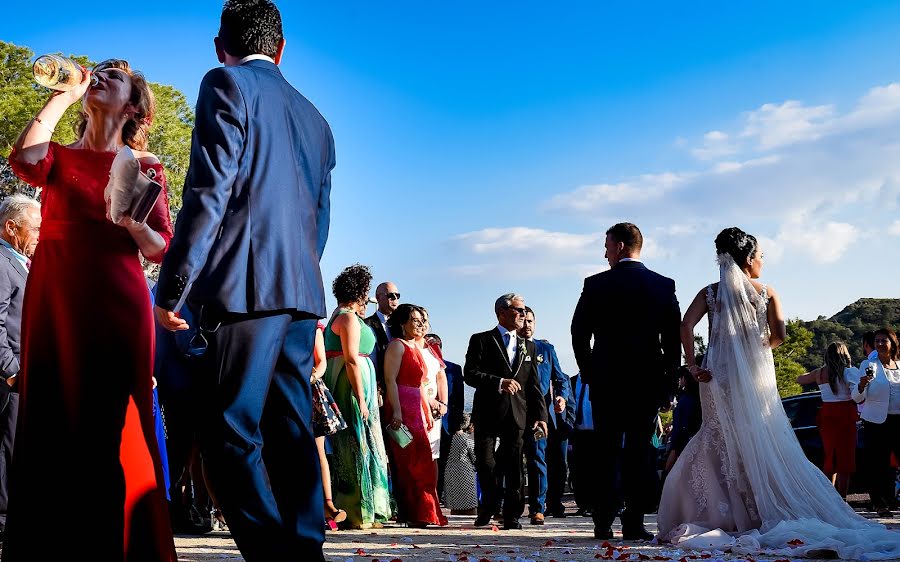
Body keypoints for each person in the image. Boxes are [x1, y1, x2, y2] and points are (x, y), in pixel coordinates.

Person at [154, 1, 335, 559]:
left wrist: (173, 285)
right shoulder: (316, 118)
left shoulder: (225, 83)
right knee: (290, 431)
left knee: (228, 432)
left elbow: (209, 193)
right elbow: (318, 219)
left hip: (242, 289)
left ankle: (273, 554)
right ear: (281, 49)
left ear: (218, 46)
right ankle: (304, 550)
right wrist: (300, 280)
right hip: (300, 292)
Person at [6, 58, 176, 560]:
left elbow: (160, 247)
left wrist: (128, 221)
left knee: (116, 419)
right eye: (95, 73)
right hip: (56, 294)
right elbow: (25, 159)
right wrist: (65, 92)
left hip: (117, 297)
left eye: (113, 76)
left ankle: (124, 544)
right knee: (52, 414)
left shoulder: (147, 167)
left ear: (132, 106)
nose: (99, 77)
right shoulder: (57, 157)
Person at [657, 227, 900, 559]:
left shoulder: (710, 293)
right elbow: (780, 335)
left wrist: (693, 366)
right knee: (758, 437)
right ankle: (757, 510)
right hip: (754, 378)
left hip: (716, 377)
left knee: (719, 437)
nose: (762, 261)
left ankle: (719, 512)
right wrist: (756, 349)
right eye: (760, 256)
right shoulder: (766, 291)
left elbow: (685, 325)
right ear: (748, 258)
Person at [571, 222, 681, 541]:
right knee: (639, 453)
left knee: (605, 452)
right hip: (647, 382)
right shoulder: (663, 285)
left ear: (619, 246)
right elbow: (672, 342)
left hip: (606, 381)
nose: (605, 253)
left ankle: (603, 522)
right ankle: (633, 523)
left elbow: (579, 333)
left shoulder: (595, 285)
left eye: (606, 247)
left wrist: (590, 373)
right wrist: (668, 385)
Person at [464, 293, 547, 530]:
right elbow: (469, 373)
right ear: (502, 312)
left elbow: (534, 387)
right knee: (486, 463)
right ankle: (488, 507)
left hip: (517, 415)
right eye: (518, 310)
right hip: (488, 413)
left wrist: (541, 418)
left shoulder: (528, 346)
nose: (523, 314)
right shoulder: (480, 340)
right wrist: (499, 382)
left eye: (524, 311)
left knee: (513, 468)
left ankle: (512, 515)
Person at [323, 264, 391, 529]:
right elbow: (351, 359)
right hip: (350, 383)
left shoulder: (339, 315)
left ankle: (365, 508)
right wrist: (362, 398)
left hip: (356, 379)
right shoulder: (348, 318)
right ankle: (357, 509)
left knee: (358, 442)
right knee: (356, 442)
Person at [383, 304, 449, 527]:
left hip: (418, 408)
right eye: (414, 320)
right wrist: (398, 410)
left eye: (422, 320)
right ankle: (412, 511)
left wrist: (426, 411)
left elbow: (423, 383)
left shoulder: (417, 348)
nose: (420, 324)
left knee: (424, 461)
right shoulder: (397, 346)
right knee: (408, 462)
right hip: (403, 405)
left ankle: (426, 511)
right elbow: (390, 379)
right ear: (403, 323)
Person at [0, 195, 39, 539]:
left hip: (22, 380)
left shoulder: (21, 263)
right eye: (35, 228)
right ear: (11, 227)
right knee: (6, 452)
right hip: (10, 382)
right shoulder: (0, 262)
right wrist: (11, 370)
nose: (40, 235)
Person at [517, 306, 570, 523]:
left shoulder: (545, 349)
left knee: (538, 459)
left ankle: (537, 507)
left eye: (531, 321)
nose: (527, 325)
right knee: (512, 461)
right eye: (523, 321)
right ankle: (512, 507)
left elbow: (560, 378)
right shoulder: (509, 348)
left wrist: (561, 397)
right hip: (515, 411)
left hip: (541, 415)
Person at [796, 342, 857, 498]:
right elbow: (858, 393)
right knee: (845, 459)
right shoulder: (849, 373)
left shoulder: (819, 373)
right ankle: (842, 498)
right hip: (845, 415)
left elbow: (800, 380)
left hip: (828, 416)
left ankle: (830, 498)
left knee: (830, 457)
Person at [851, 328, 900, 517]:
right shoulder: (868, 364)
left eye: (884, 340)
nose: (880, 344)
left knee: (894, 465)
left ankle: (891, 500)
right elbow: (856, 398)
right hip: (876, 421)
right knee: (878, 465)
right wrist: (862, 384)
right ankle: (881, 504)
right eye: (877, 340)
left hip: (898, 420)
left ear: (892, 343)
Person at [310, 321, 346, 530]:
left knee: (318, 450)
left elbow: (321, 362)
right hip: (278, 385)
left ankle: (328, 504)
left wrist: (311, 377)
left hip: (309, 388)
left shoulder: (314, 326)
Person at [426, 332, 464, 501]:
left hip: (446, 423)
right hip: (423, 419)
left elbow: (458, 398)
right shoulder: (420, 366)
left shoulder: (454, 369)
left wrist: (457, 426)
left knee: (441, 462)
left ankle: (436, 494)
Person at [569, 372, 595, 516]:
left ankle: (596, 504)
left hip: (597, 432)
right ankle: (583, 504)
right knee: (579, 470)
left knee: (595, 470)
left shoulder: (600, 378)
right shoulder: (572, 381)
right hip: (578, 432)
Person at [365, 281, 400, 390]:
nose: (394, 298)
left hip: (401, 384)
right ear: (378, 298)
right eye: (390, 295)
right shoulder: (367, 325)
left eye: (397, 295)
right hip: (379, 385)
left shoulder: (403, 323)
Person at [444, 413, 478, 515]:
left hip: (450, 472)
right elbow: (474, 457)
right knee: (469, 504)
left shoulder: (448, 439)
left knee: (454, 505)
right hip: (465, 472)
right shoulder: (467, 439)